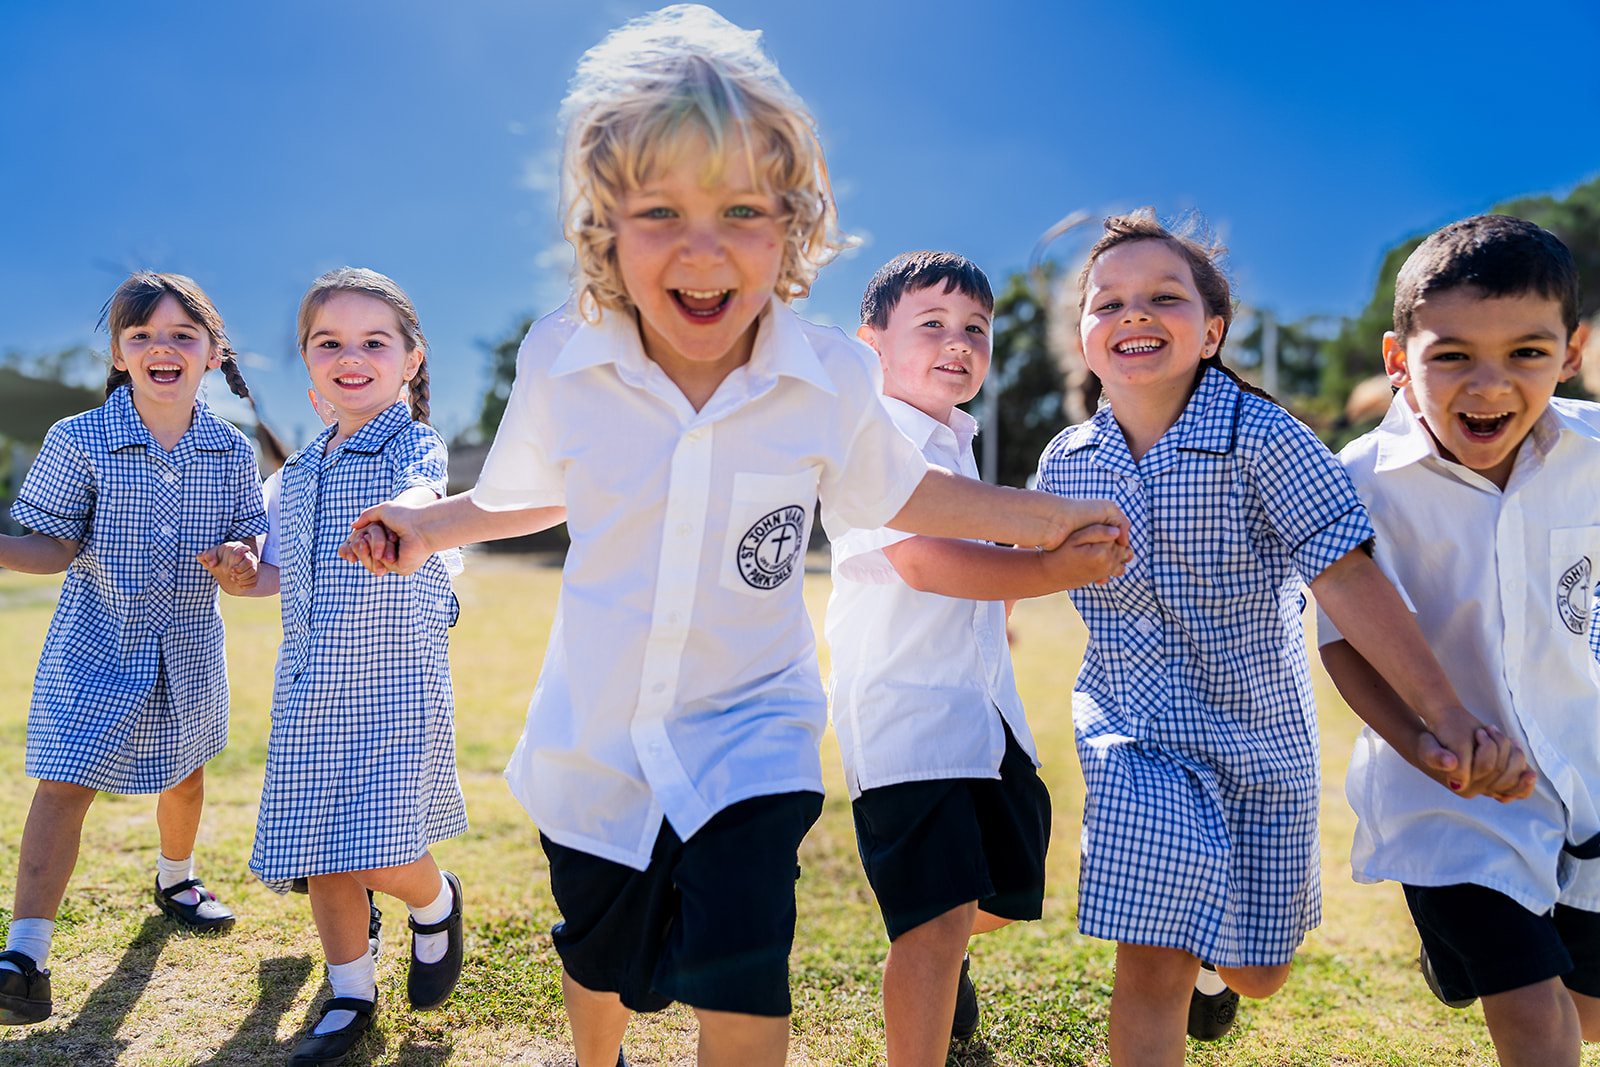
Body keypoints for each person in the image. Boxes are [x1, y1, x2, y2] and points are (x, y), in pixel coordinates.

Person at [343, 9, 1126, 1066]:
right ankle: (597, 1052)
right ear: (603, 230)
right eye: (660, 209)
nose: (703, 248)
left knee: (745, 962)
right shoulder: (564, 360)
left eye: (743, 211)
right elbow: (530, 493)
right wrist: (427, 522)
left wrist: (1056, 523)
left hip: (751, 727)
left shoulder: (829, 376)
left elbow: (913, 495)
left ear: (793, 229)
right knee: (600, 951)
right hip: (597, 733)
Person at [1034, 210, 1532, 1066]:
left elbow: (1347, 577)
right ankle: (1180, 966)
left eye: (1163, 296)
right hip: (1135, 735)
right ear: (1082, 335)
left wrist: (1443, 714)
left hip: (1259, 741)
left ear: (1213, 328)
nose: (1133, 313)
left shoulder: (1263, 439)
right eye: (1106, 301)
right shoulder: (1065, 462)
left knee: (1260, 968)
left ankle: (1218, 981)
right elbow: (1016, 561)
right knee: (1150, 956)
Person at [823, 250, 1128, 1065]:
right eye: (931, 325)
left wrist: (1004, 606)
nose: (958, 342)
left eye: (975, 329)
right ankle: (929, 965)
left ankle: (947, 943)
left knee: (1009, 883)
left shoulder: (957, 444)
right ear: (871, 344)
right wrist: (1049, 567)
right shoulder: (872, 439)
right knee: (931, 918)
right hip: (906, 720)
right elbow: (920, 556)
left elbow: (965, 560)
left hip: (983, 713)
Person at [1318, 215, 1598, 1067]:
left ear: (1573, 350)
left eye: (1526, 352)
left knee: (1585, 1011)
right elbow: (1343, 643)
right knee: (1528, 1004)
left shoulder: (1594, 456)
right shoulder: (1357, 484)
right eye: (1452, 355)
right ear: (1399, 359)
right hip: (1453, 804)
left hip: (1588, 778)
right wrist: (1428, 744)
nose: (1490, 385)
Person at [0, 272, 268, 1025]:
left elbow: (249, 532)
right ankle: (25, 954)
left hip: (188, 644)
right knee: (64, 781)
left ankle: (176, 879)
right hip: (95, 641)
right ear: (119, 353)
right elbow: (54, 544)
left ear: (214, 353)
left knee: (185, 775)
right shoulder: (76, 438)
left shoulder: (230, 448)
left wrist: (241, 557)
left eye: (184, 334)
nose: (163, 347)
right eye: (142, 334)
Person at [216, 268, 468, 1067]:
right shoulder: (295, 473)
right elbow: (272, 571)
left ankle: (436, 900)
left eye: (373, 342)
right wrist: (238, 566)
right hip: (309, 685)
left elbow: (424, 495)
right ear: (308, 358)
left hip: (392, 681)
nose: (350, 356)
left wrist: (404, 520)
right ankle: (350, 989)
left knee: (381, 849)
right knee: (320, 849)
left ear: (410, 359)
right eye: (329, 342)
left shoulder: (410, 443)